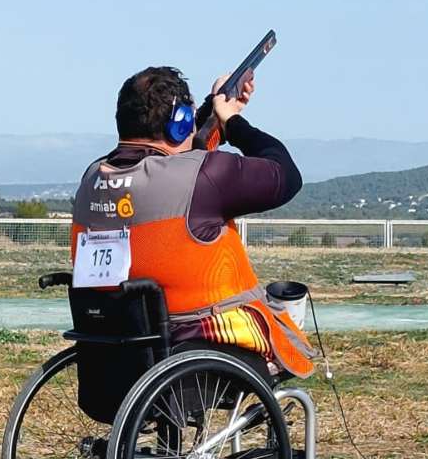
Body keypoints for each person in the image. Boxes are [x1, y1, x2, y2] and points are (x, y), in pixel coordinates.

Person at [71, 66, 315, 380]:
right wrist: (233, 121)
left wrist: (213, 108)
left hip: (117, 346)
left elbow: (173, 164)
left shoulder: (92, 176)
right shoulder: (202, 177)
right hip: (199, 342)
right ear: (181, 123)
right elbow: (285, 174)